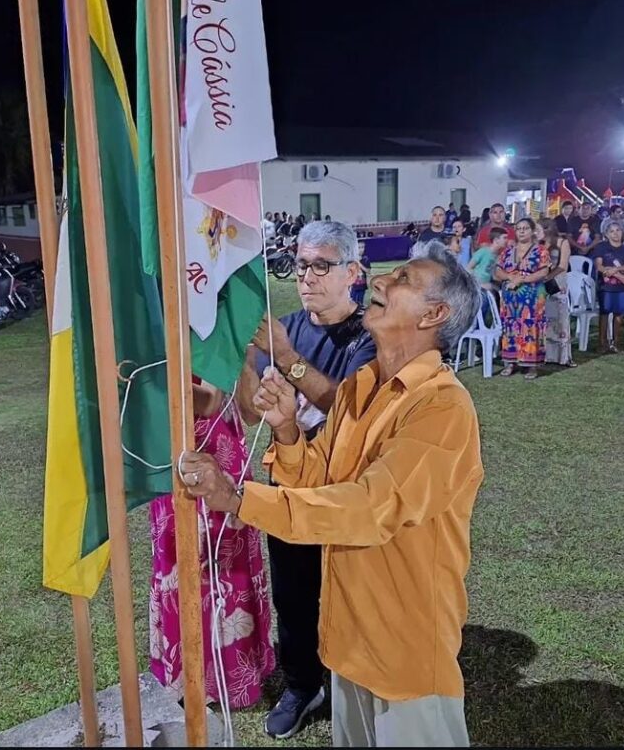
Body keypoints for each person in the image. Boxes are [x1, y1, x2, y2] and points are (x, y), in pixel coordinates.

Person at [181, 242, 484, 748]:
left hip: (403, 643)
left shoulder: (442, 407)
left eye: (402, 280)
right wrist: (286, 430)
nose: (380, 281)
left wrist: (238, 500)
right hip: (349, 636)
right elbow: (319, 476)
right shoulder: (361, 385)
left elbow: (368, 507)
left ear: (434, 315)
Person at [236, 220, 377, 740]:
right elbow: (251, 412)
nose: (307, 276)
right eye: (300, 265)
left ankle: (353, 680)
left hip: (347, 491)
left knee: (352, 592)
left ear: (352, 272)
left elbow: (351, 409)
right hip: (290, 486)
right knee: (293, 596)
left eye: (322, 265)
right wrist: (241, 356)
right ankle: (302, 685)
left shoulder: (370, 334)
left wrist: (290, 361)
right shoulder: (287, 327)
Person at [148, 379, 275, 708]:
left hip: (222, 462)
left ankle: (235, 675)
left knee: (230, 573)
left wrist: (243, 352)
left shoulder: (212, 349)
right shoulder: (162, 348)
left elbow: (234, 408)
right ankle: (188, 675)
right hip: (178, 463)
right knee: (183, 570)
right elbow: (207, 401)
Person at [494, 217, 551, 380]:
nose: (522, 231)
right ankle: (510, 362)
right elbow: (498, 271)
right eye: (519, 229)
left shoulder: (540, 251)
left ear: (532, 231)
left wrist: (522, 279)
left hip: (532, 296)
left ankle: (532, 365)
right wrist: (511, 278)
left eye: (525, 228)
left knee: (531, 327)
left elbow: (543, 272)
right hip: (510, 297)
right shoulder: (507, 251)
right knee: (510, 327)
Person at [593, 221, 624, 354]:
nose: (615, 233)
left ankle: (616, 343)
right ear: (607, 234)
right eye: (612, 231)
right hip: (606, 286)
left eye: (618, 230)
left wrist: (615, 270)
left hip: (622, 287)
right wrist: (615, 274)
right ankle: (602, 343)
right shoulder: (601, 247)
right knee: (604, 313)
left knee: (619, 314)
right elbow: (599, 265)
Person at [538, 219, 575, 367]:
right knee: (544, 319)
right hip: (540, 283)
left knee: (560, 319)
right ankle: (545, 354)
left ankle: (563, 356)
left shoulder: (562, 243)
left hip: (557, 282)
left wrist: (547, 277)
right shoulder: (537, 244)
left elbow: (563, 265)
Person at [467, 226, 507, 321]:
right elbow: (468, 268)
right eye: (504, 238)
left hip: (487, 288)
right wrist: (479, 283)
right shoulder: (483, 251)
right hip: (477, 288)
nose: (506, 240)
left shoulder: (497, 256)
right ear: (496, 240)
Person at [351, 241, 371, 305]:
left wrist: (359, 263)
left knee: (360, 301)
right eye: (359, 247)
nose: (361, 249)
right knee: (352, 301)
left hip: (362, 284)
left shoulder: (366, 259)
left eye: (363, 247)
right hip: (353, 284)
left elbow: (368, 271)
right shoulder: (351, 259)